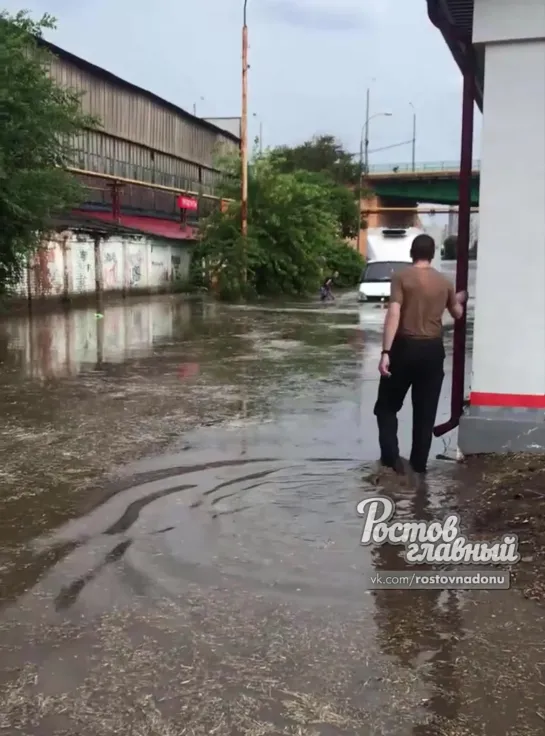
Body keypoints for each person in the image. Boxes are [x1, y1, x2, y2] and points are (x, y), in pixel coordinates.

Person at [373, 234, 466, 476]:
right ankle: (418, 472)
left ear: (411, 253)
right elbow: (456, 313)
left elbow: (393, 314)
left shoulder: (401, 277)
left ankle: (392, 463)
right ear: (433, 254)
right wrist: (459, 300)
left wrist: (385, 352)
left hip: (404, 347)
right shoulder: (444, 281)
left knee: (386, 408)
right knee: (424, 415)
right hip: (433, 351)